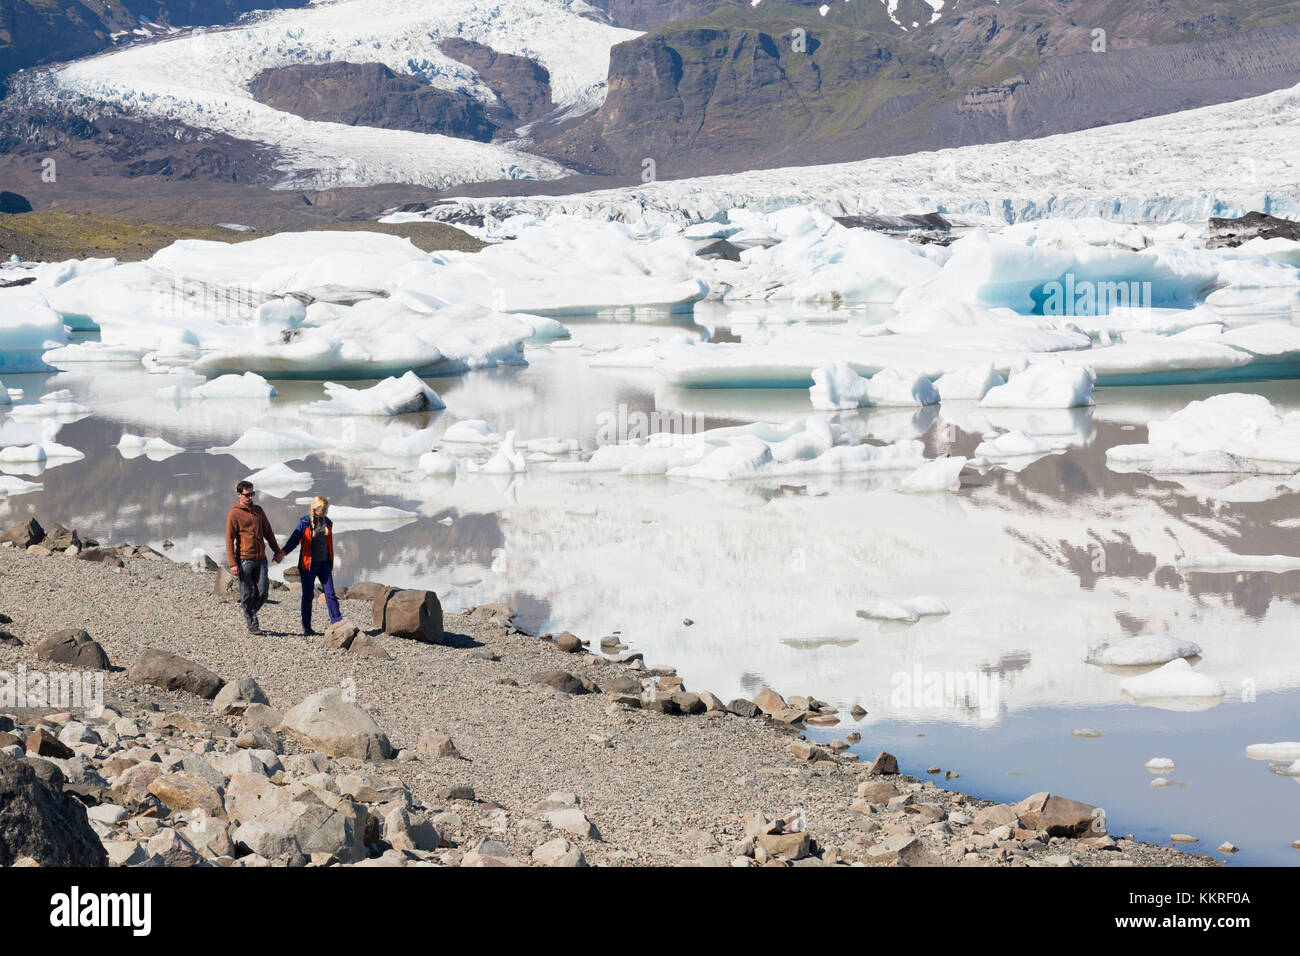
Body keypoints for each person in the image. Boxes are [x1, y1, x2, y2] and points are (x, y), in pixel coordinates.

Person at [224, 480, 283, 636]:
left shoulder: (258, 511)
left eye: (252, 494)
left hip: (261, 559)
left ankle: (249, 612)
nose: (250, 497)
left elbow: (268, 532)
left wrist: (277, 551)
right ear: (239, 495)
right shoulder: (234, 514)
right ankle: (252, 624)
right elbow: (229, 540)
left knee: (263, 592)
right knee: (247, 593)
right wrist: (232, 563)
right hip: (244, 560)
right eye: (247, 494)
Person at [282, 495, 342, 636]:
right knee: (308, 595)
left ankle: (338, 622)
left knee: (331, 594)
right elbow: (294, 540)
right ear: (315, 509)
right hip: (308, 565)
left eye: (326, 510)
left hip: (325, 564)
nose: (325, 513)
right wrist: (283, 552)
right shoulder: (305, 523)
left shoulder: (328, 523)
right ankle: (306, 626)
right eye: (323, 510)